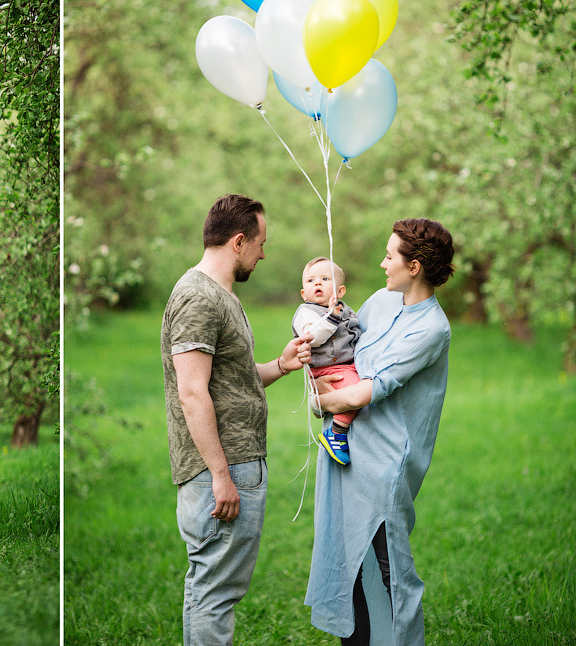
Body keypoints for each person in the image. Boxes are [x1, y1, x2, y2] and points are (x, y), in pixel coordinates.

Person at [160, 194, 313, 645]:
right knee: (216, 593)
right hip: (221, 469)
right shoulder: (198, 297)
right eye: (261, 243)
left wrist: (281, 365)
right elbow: (192, 393)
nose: (264, 254)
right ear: (239, 241)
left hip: (229, 465)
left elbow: (233, 383)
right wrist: (221, 475)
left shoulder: (218, 294)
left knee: (206, 588)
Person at [305, 218, 455, 645]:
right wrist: (318, 379)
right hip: (344, 452)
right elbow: (338, 357)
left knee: (389, 570)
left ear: (415, 267)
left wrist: (319, 401)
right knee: (347, 563)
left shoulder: (431, 328)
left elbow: (367, 392)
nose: (382, 262)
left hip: (384, 464)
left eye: (391, 255)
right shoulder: (379, 302)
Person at [292, 257, 362, 465]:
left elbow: (355, 330)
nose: (318, 283)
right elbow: (313, 336)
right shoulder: (305, 313)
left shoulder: (345, 310)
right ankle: (337, 432)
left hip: (347, 364)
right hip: (324, 369)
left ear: (340, 292)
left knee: (363, 388)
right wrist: (331, 317)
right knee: (355, 392)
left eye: (325, 278)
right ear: (304, 294)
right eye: (311, 280)